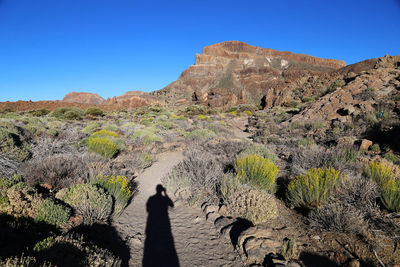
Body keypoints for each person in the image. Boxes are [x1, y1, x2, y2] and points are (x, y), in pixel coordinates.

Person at [142, 184, 179, 267]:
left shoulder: (151, 198)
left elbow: (148, 209)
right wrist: (166, 194)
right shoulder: (164, 198)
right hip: (164, 219)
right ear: (161, 190)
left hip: (153, 220)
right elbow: (172, 205)